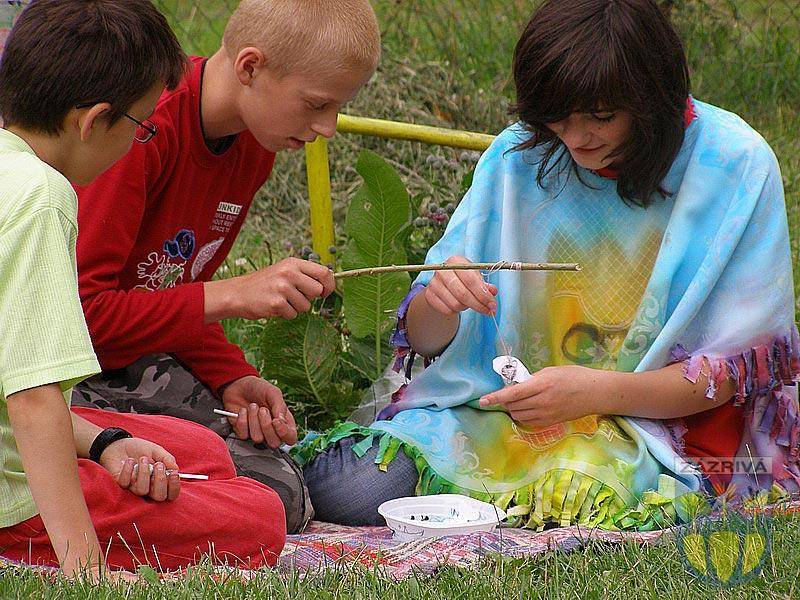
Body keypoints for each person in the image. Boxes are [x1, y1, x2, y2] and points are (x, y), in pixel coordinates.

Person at [297, 0, 799, 529]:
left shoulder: (734, 163)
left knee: (581, 501)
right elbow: (425, 341)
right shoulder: (519, 156)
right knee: (346, 489)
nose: (577, 138)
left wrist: (594, 393)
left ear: (654, 98)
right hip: (494, 417)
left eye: (601, 117)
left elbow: (736, 375)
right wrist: (441, 302)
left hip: (652, 429)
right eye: (558, 118)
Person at [71, 0, 381, 533]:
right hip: (59, 364)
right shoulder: (139, 131)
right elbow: (78, 317)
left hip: (127, 354)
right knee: (264, 496)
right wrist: (234, 295)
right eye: (316, 104)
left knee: (281, 491)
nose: (328, 127)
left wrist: (231, 375)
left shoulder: (253, 143)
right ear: (250, 67)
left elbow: (169, 284)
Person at [0, 0, 285, 576]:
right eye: (141, 125)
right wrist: (84, 568)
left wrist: (106, 443)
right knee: (261, 516)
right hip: (15, 504)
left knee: (202, 450)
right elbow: (31, 398)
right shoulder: (43, 199)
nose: (141, 140)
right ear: (93, 121)